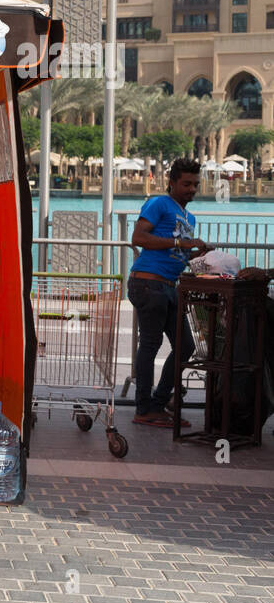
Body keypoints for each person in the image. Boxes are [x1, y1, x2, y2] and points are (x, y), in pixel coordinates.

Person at [127, 157, 209, 427]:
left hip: (169, 287)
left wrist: (196, 253)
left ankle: (158, 402)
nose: (191, 189)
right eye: (186, 183)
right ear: (171, 183)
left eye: (195, 184)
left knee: (185, 345)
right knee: (150, 344)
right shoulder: (158, 203)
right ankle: (144, 408)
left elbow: (176, 253)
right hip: (149, 283)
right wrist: (180, 241)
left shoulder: (189, 217)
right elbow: (138, 238)